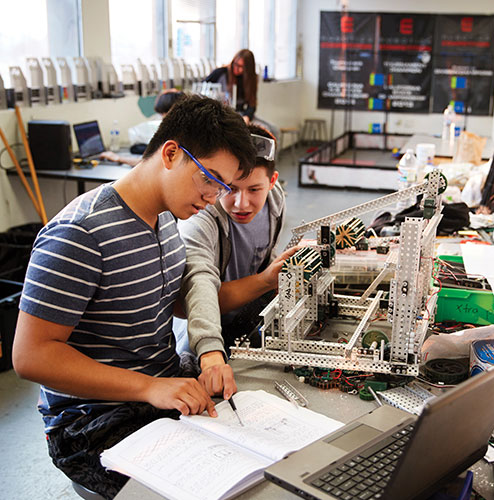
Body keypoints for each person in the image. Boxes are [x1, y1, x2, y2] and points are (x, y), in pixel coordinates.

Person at [12, 94, 255, 499]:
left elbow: (168, 303)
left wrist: (210, 349)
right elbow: (30, 355)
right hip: (92, 418)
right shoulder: (81, 232)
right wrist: (148, 388)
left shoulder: (164, 218)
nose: (214, 197)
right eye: (209, 178)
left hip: (159, 385)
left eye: (223, 186)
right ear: (172, 153)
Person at [177, 124, 297, 377]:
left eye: (255, 189)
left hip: (245, 319)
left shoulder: (275, 200)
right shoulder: (198, 218)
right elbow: (197, 292)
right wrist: (266, 280)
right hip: (200, 331)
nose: (242, 204)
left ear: (272, 182)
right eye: (230, 188)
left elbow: (264, 259)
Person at [99, 90, 184, 166]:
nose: (162, 118)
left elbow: (146, 163)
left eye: (163, 113)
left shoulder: (176, 138)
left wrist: (118, 158)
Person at [205, 49, 257, 124]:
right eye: (235, 64)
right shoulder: (220, 73)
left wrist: (247, 116)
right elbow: (202, 87)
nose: (236, 68)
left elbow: (252, 104)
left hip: (239, 114)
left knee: (272, 128)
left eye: (240, 66)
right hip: (220, 115)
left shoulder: (250, 80)